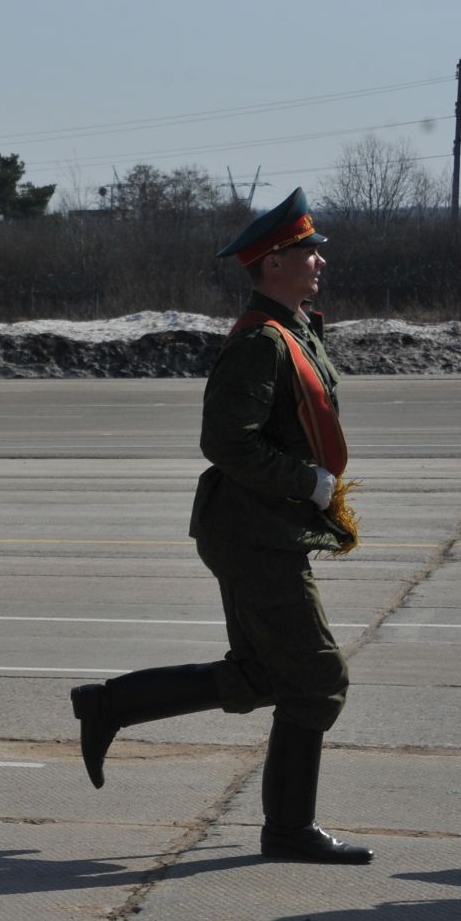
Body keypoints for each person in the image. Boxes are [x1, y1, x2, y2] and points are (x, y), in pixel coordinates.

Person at [70, 187, 370, 863]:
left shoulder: (294, 329)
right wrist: (312, 484)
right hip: (253, 533)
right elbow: (226, 442)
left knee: (265, 675)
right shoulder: (260, 343)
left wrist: (316, 495)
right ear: (271, 264)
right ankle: (288, 830)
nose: (319, 259)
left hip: (268, 526)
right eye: (305, 250)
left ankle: (110, 705)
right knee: (318, 679)